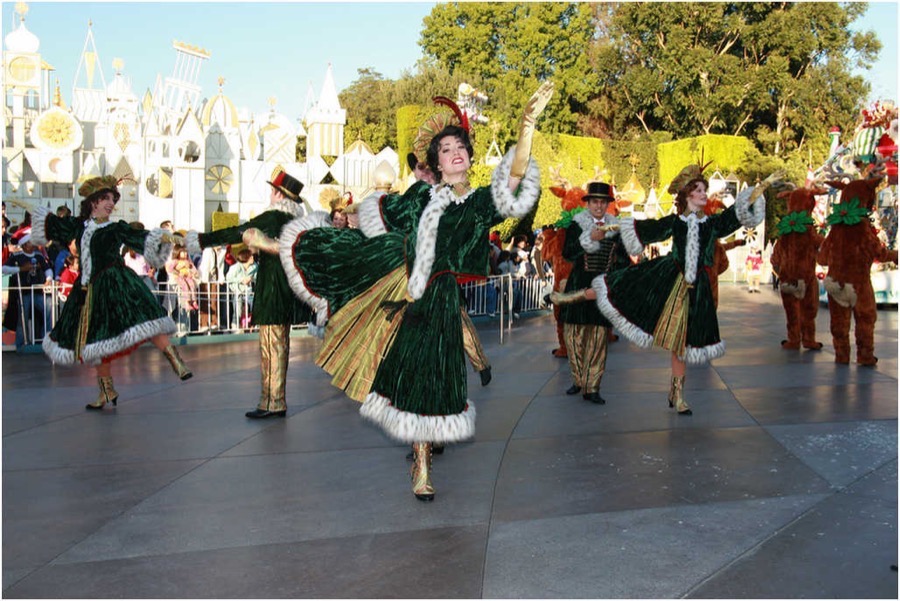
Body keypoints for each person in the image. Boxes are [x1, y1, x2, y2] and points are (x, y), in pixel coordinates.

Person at [279, 82, 554, 500]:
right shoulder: (420, 196)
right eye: (445, 149)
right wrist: (346, 213)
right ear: (437, 163)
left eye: (460, 145)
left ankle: (424, 455)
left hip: (444, 300)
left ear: (469, 156)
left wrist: (527, 124)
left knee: (439, 382)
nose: (454, 152)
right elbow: (378, 214)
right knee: (416, 379)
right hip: (411, 296)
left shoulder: (480, 203)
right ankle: (422, 468)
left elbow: (515, 173)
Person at [556, 165, 778, 415]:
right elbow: (645, 230)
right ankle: (678, 394)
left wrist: (762, 186)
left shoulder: (712, 224)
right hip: (672, 283)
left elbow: (736, 216)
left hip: (698, 291)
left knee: (682, 345)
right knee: (636, 301)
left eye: (705, 189)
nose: (705, 194)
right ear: (687, 196)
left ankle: (677, 392)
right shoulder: (675, 222)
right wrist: (612, 228)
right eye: (700, 190)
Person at [9, 176, 191, 410]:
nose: (110, 203)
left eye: (112, 199)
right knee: (96, 341)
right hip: (87, 290)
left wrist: (168, 237)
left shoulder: (116, 228)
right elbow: (54, 223)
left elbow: (140, 237)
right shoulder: (78, 226)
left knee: (146, 318)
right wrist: (29, 207)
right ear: (93, 202)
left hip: (115, 281)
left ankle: (176, 361)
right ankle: (107, 391)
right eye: (105, 198)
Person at [186, 170, 313, 418]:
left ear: (278, 194)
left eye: (272, 191)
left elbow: (238, 232)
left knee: (270, 346)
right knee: (279, 345)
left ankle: (273, 402)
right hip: (289, 288)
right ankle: (273, 399)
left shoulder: (273, 217)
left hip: (272, 288)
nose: (270, 195)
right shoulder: (298, 222)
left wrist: (201, 240)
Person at [552, 181, 631, 404]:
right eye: (594, 201)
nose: (598, 206)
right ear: (587, 204)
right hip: (578, 286)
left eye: (602, 202)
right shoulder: (577, 225)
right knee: (574, 336)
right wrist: (589, 240)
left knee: (598, 339)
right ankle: (578, 380)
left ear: (608, 204)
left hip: (602, 287)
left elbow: (624, 259)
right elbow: (568, 253)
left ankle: (592, 387)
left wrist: (616, 280)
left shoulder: (616, 228)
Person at [2, 233, 53, 348]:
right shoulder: (17, 256)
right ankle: (21, 343)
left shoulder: (39, 256)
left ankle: (46, 339)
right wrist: (21, 269)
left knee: (50, 307)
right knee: (22, 318)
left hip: (38, 291)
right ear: (24, 245)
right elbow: (4, 269)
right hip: (23, 293)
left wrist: (48, 279)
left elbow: (47, 269)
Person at [225, 248, 257, 329]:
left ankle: (254, 326)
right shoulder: (235, 267)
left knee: (255, 308)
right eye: (251, 256)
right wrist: (241, 280)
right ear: (246, 257)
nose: (253, 258)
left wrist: (252, 279)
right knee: (237, 311)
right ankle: (235, 327)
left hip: (249, 291)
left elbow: (258, 277)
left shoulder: (254, 266)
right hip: (238, 291)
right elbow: (228, 278)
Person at [197, 245, 226, 332]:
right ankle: (204, 323)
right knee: (204, 300)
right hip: (204, 277)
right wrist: (205, 281)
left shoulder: (222, 250)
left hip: (214, 278)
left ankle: (214, 323)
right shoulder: (208, 250)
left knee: (214, 300)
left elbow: (221, 265)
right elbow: (205, 266)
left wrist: (221, 278)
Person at [166, 245, 200, 312]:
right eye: (183, 252)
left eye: (186, 252)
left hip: (188, 277)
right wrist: (178, 273)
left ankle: (194, 301)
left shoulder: (188, 261)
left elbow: (193, 268)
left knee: (192, 285)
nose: (185, 254)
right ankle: (187, 302)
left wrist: (194, 272)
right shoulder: (176, 261)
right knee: (185, 286)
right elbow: (170, 269)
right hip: (180, 278)